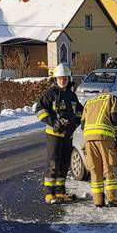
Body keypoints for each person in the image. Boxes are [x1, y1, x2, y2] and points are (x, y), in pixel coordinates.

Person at [35, 64, 82, 204]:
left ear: (69, 79)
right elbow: (39, 110)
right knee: (53, 163)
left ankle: (60, 192)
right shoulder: (50, 94)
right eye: (60, 79)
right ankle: (49, 194)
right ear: (56, 79)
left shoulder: (72, 95)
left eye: (65, 79)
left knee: (64, 164)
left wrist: (77, 123)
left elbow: (79, 111)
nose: (63, 81)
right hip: (54, 135)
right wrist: (53, 122)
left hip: (68, 135)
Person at [81, 92, 117, 208]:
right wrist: (116, 135)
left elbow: (82, 124)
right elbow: (116, 119)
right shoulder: (112, 98)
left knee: (95, 169)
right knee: (110, 167)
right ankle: (113, 199)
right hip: (104, 137)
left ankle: (98, 200)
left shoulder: (90, 102)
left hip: (88, 139)